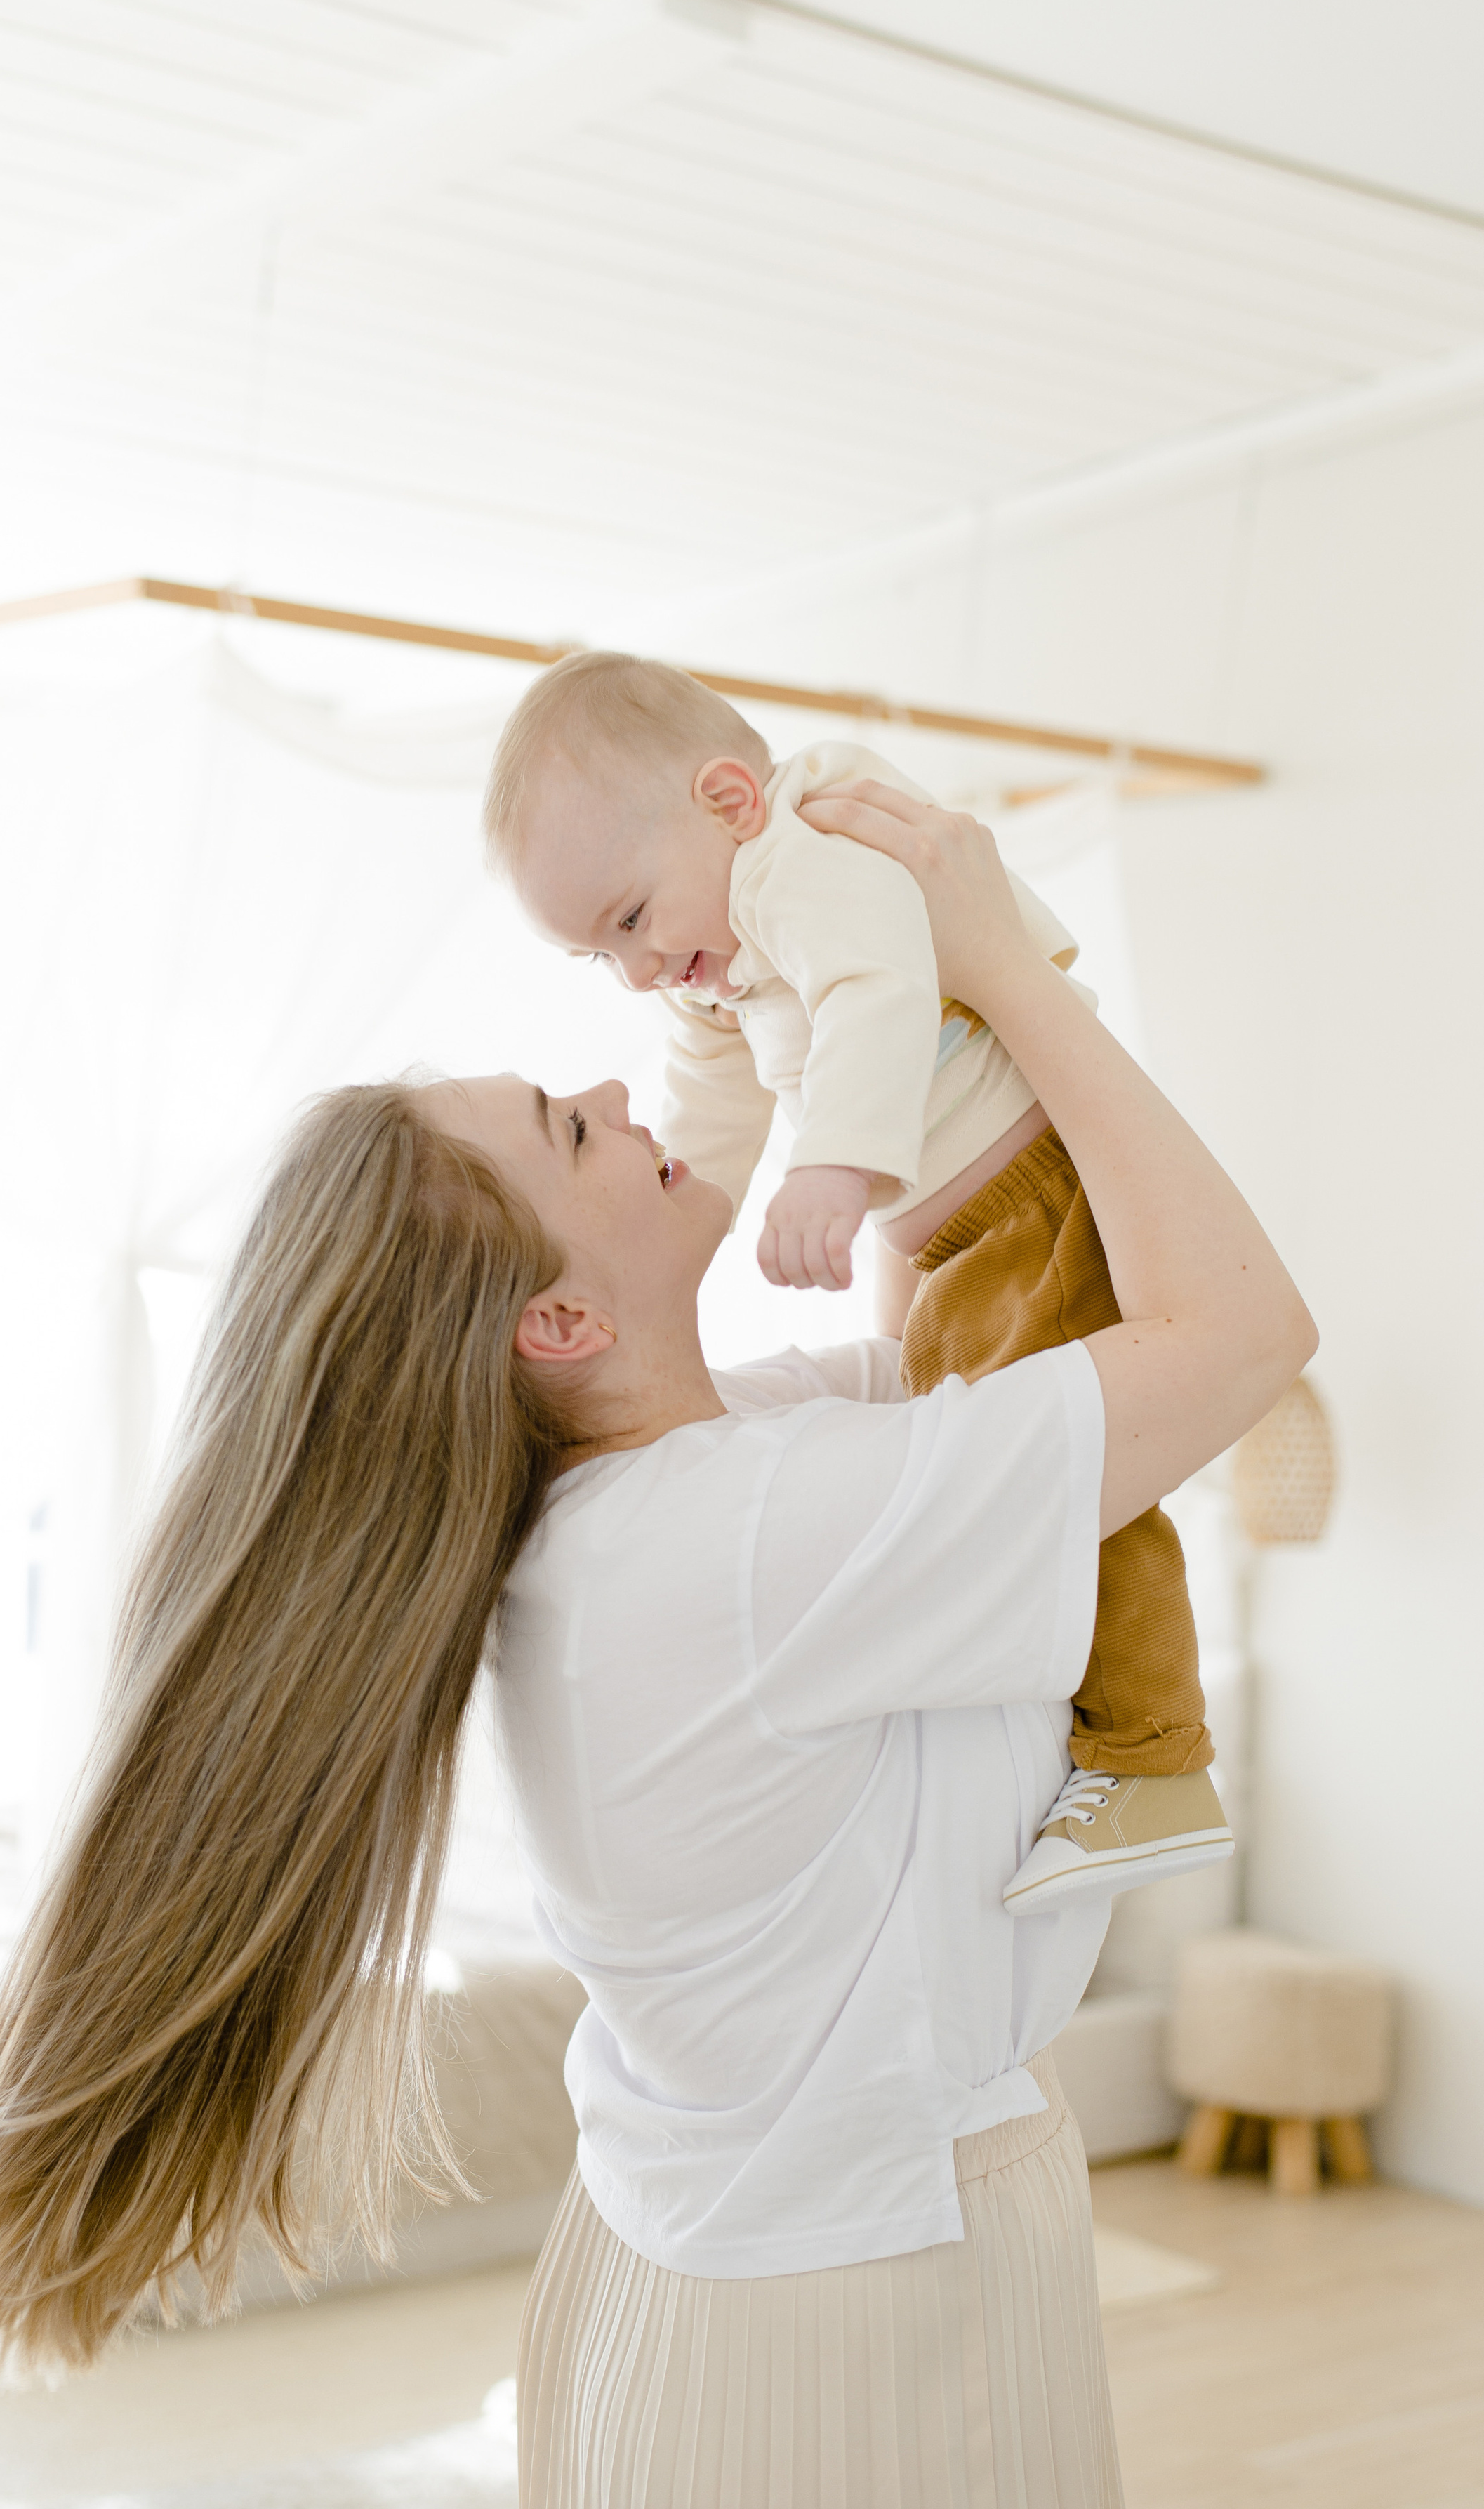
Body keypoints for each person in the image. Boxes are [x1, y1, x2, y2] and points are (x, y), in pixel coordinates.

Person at [0, 790, 1313, 2509]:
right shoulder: (747, 1537)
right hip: (855, 2296)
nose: (634, 1098)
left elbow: (974, 1325)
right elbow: (1242, 1334)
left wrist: (877, 1032)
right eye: (574, 1127)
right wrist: (1013, 976)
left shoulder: (688, 1495)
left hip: (734, 2258)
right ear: (554, 1325)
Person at [482, 651, 1231, 1916]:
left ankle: (1155, 1760)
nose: (643, 971)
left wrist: (831, 1170)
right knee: (1033, 1466)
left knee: (1090, 1498)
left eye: (628, 921)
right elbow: (707, 1109)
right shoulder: (715, 950)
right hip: (965, 1239)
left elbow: (878, 990)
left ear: (728, 801)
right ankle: (1114, 1738)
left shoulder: (800, 860)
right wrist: (691, 1222)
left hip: (1035, 1199)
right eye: (599, 958)